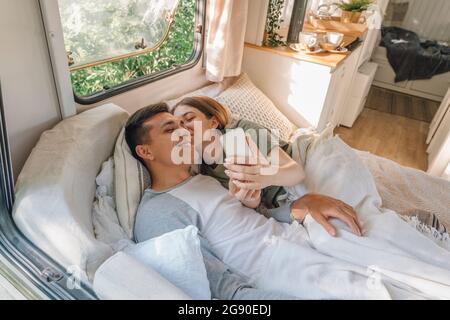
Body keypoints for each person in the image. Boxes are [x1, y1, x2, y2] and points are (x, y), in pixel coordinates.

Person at [126, 103, 450, 300]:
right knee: (373, 290)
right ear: (146, 152)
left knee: (386, 246)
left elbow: (257, 212)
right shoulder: (159, 211)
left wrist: (301, 206)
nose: (185, 132)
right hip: (273, 263)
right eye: (172, 129)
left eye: (186, 124)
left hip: (296, 235)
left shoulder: (207, 177)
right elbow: (220, 288)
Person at [172, 96, 361, 236]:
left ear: (213, 121)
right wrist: (250, 197)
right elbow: (256, 204)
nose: (183, 127)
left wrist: (262, 176)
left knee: (356, 221)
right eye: (177, 125)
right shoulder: (206, 173)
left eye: (188, 118)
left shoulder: (239, 132)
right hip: (285, 200)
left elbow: (295, 172)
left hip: (308, 163)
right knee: (334, 233)